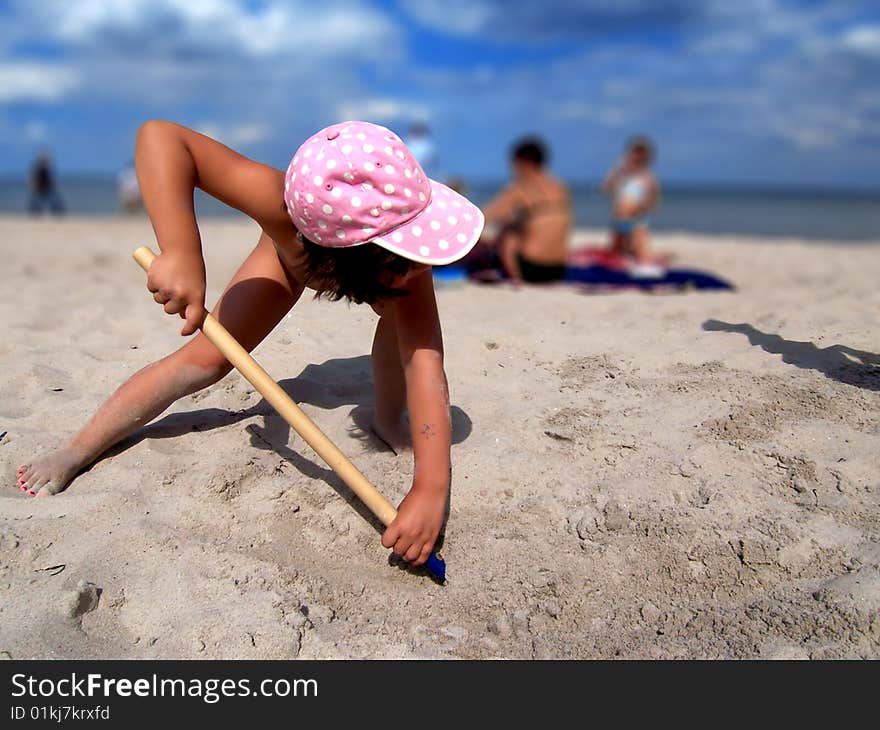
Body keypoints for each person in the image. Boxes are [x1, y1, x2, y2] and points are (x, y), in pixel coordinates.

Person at [16, 120, 485, 568]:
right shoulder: (278, 202)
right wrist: (181, 249)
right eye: (404, 256)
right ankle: (77, 450)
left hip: (340, 262)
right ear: (347, 253)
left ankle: (385, 419)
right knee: (205, 361)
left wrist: (430, 488)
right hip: (289, 258)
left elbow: (426, 367)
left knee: (404, 325)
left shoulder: (409, 269)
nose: (422, 266)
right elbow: (162, 138)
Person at [469, 137, 571, 284]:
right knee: (516, 225)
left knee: (510, 235)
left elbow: (482, 217)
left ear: (522, 163)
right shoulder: (560, 186)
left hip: (531, 268)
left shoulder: (520, 188)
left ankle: (516, 280)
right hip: (559, 268)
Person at [601, 137, 660, 271]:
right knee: (616, 253)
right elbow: (606, 188)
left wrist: (642, 207)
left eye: (641, 155)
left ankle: (642, 261)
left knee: (642, 253)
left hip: (636, 221)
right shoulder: (622, 174)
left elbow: (653, 201)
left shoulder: (648, 177)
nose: (636, 158)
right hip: (619, 220)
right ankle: (627, 259)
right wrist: (618, 168)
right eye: (634, 153)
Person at [28, 151, 65, 215]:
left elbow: (52, 179)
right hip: (40, 188)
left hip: (46, 188)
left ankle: (56, 211)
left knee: (54, 200)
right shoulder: (38, 169)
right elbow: (33, 179)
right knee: (36, 202)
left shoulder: (47, 169)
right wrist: (33, 186)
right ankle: (36, 212)